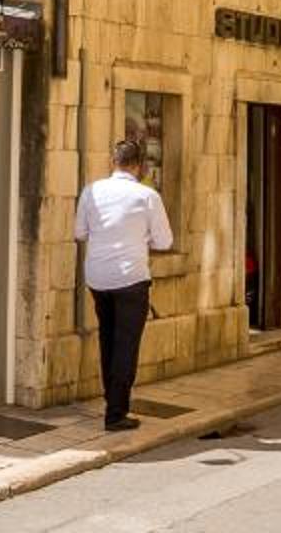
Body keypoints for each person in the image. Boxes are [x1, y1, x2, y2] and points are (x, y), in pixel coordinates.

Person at [72, 136, 173, 431]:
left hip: (98, 278)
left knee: (108, 339)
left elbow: (80, 233)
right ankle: (116, 413)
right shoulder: (147, 196)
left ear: (112, 162)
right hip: (130, 278)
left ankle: (111, 400)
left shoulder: (91, 191)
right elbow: (165, 241)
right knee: (126, 346)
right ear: (139, 166)